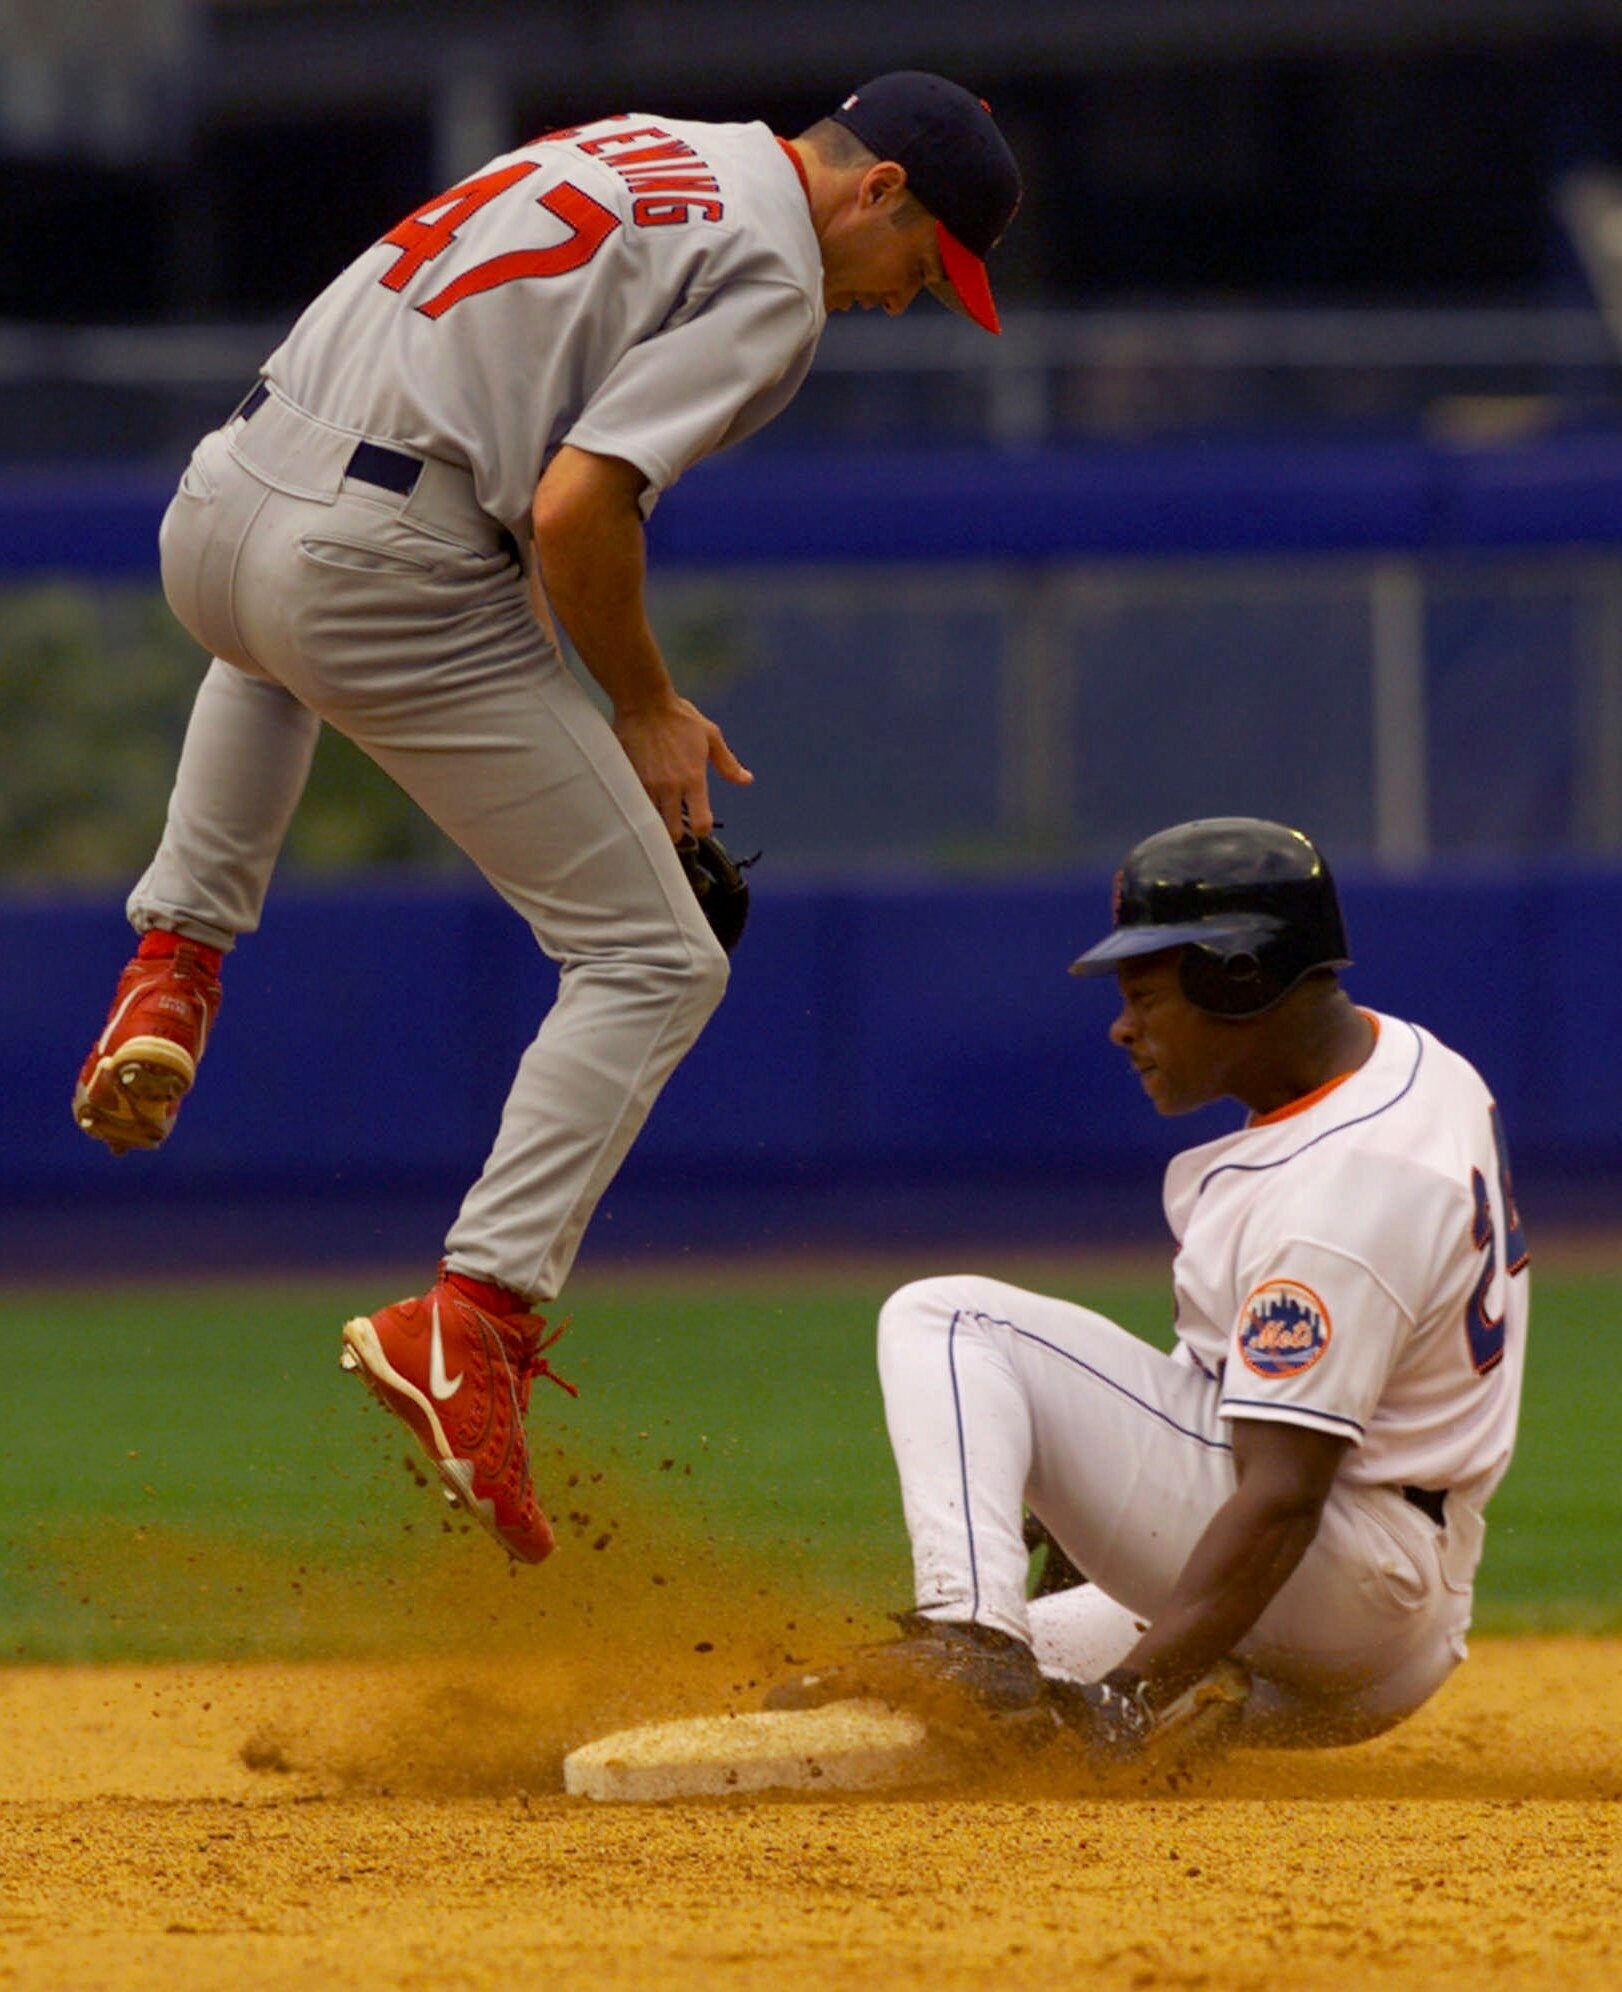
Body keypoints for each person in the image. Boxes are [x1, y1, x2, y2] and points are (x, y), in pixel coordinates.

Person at [70, 73, 1022, 1564]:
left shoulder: (636, 143)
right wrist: (640, 705)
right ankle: (476, 1319)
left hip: (223, 506)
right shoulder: (775, 272)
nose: (904, 302)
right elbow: (580, 510)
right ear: (876, 189)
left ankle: (173, 965)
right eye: (924, 268)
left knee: (265, 645)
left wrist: (612, 695)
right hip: (381, 561)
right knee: (656, 959)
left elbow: (494, 444)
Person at [770, 818, 1529, 1760]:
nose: (1122, 1026)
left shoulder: (1338, 1201)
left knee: (948, 1316)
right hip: (1391, 1599)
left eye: (1145, 994)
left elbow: (1283, 1495)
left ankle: (976, 1638)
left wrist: (1127, 1697)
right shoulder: (1407, 1063)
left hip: (1335, 1578)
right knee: (895, 1714)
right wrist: (1071, 1478)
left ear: (1238, 978)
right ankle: (1193, 1695)